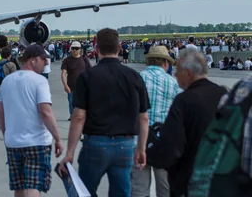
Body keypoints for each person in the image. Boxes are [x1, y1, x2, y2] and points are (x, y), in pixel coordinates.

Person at [59, 28, 150, 197]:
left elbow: (79, 116)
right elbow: (143, 118)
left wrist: (70, 152)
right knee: (122, 192)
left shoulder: (88, 77)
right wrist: (141, 148)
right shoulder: (133, 76)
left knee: (85, 191)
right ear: (120, 47)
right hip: (125, 145)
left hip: (95, 143)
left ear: (97, 49)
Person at [147, 49, 227, 196]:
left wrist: (155, 157)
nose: (175, 74)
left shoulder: (184, 101)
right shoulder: (224, 95)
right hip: (220, 177)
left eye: (178, 70)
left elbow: (172, 146)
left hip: (190, 179)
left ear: (188, 73)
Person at [0, 44, 64, 197]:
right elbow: (46, 112)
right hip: (37, 142)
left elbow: (0, 113)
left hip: (14, 142)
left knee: (19, 186)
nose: (46, 63)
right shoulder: (39, 81)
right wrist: (58, 138)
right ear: (33, 60)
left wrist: (7, 134)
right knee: (34, 185)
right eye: (44, 60)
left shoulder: (7, 81)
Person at [131, 45, 180, 197]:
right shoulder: (172, 82)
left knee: (139, 188)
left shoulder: (137, 79)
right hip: (163, 142)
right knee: (165, 188)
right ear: (166, 63)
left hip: (138, 141)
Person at [60, 41, 91, 120]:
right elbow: (63, 73)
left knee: (84, 103)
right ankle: (72, 116)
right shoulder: (67, 60)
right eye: (73, 48)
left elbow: (90, 73)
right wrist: (65, 85)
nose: (74, 50)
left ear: (80, 49)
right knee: (71, 103)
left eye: (76, 49)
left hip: (83, 86)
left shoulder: (84, 60)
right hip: (71, 86)